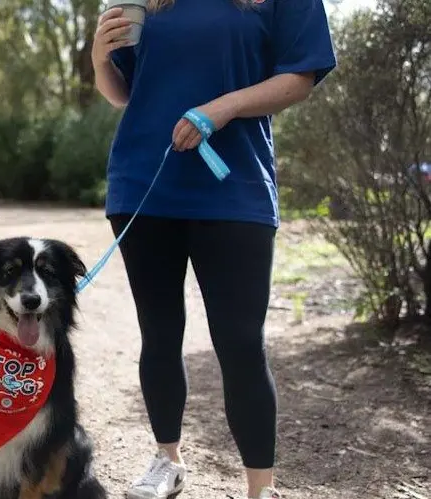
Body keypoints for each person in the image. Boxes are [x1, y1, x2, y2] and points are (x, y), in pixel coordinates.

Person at [91, 0, 335, 498]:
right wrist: (100, 60)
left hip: (235, 189)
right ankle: (168, 461)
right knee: (158, 335)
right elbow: (123, 93)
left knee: (241, 344)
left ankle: (259, 489)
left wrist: (221, 108)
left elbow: (300, 78)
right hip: (144, 184)